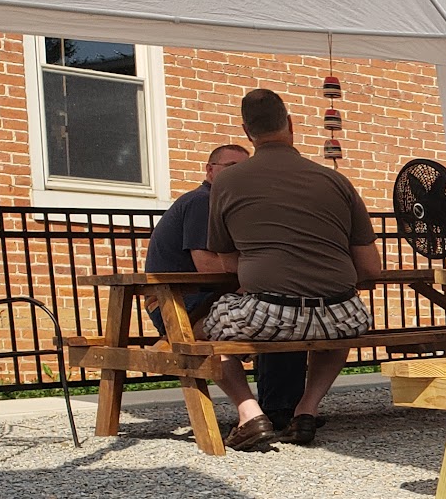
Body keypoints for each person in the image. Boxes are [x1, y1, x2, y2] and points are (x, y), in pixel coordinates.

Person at [201, 88, 381, 450]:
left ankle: (250, 413)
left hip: (269, 311)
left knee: (208, 331)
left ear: (247, 131)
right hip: (342, 312)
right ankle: (306, 410)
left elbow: (227, 261)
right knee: (337, 333)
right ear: (291, 124)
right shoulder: (335, 180)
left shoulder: (227, 182)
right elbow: (370, 267)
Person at [144, 144, 310, 430]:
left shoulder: (231, 205)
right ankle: (272, 410)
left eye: (244, 169)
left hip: (215, 300)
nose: (239, 175)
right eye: (231, 168)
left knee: (283, 315)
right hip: (180, 306)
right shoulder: (203, 202)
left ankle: (282, 409)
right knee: (277, 313)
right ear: (210, 170)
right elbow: (207, 266)